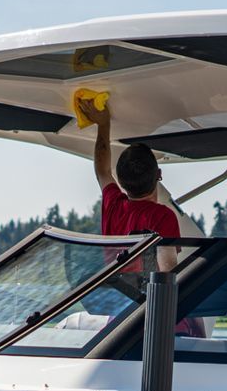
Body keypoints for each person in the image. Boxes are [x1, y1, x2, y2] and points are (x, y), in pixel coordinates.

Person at [75, 95, 180, 271]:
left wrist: (103, 123)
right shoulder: (163, 217)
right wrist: (104, 123)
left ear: (121, 182)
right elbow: (168, 272)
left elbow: (102, 170)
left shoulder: (114, 206)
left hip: (114, 288)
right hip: (145, 290)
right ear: (158, 175)